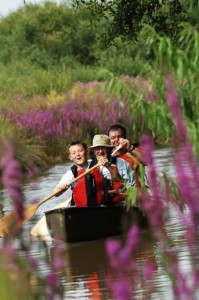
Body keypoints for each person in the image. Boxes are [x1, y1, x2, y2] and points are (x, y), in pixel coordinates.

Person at [53, 140, 120, 207]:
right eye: (74, 153)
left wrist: (108, 166)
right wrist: (61, 189)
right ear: (70, 157)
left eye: (80, 151)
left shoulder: (98, 165)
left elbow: (117, 178)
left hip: (100, 208)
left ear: (86, 152)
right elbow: (55, 194)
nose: (77, 154)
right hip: (81, 211)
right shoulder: (71, 173)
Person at [89, 134, 135, 204]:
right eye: (97, 148)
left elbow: (130, 186)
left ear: (110, 149)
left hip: (121, 203)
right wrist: (106, 194)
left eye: (103, 148)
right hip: (99, 204)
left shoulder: (122, 163)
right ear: (94, 151)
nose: (100, 151)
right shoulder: (89, 166)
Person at [107, 123, 148, 187]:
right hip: (117, 194)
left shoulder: (134, 151)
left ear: (124, 138)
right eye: (113, 138)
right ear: (109, 141)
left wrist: (130, 148)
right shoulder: (108, 157)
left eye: (119, 137)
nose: (116, 140)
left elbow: (148, 160)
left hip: (136, 193)